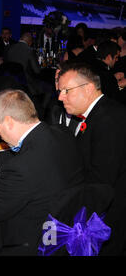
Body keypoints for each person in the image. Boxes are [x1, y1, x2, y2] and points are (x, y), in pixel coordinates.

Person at [0, 89, 84, 255]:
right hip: (64, 226)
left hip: (30, 241)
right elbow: (34, 152)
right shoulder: (62, 133)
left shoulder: (20, 168)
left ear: (9, 121)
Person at [57, 63, 126, 255]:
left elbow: (102, 182)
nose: (60, 97)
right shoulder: (99, 113)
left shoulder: (108, 120)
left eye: (65, 91)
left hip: (110, 219)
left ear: (87, 89)